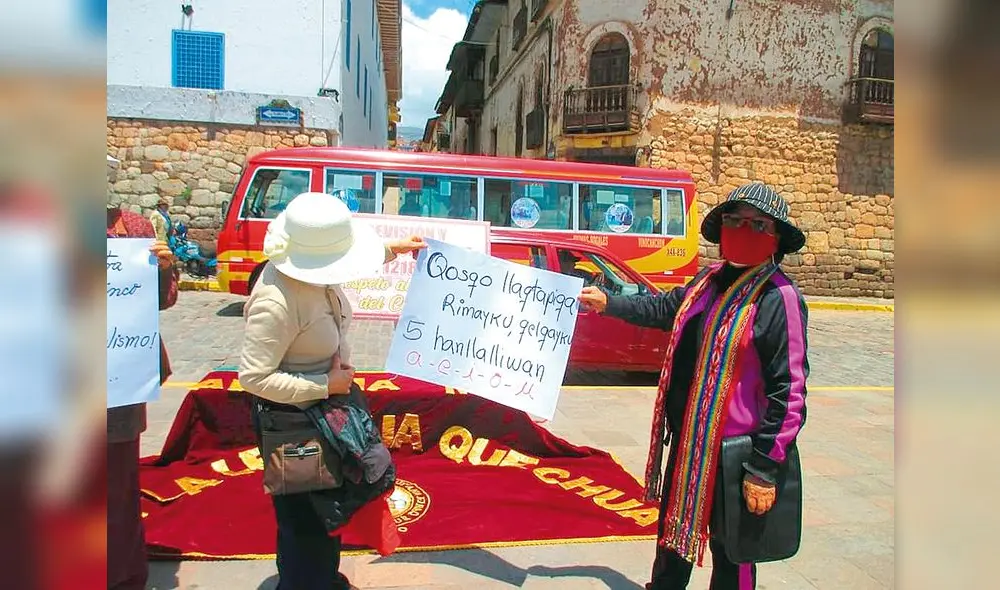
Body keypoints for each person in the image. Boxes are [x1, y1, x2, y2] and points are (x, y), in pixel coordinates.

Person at [579, 183, 809, 590]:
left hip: (737, 456)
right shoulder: (707, 282)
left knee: (731, 553)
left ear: (776, 239)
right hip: (690, 445)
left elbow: (788, 393)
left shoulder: (779, 297)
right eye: (734, 220)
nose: (742, 229)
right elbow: (664, 308)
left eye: (758, 224)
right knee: (672, 538)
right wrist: (608, 302)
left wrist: (764, 469)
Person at [238, 192, 426, 590]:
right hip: (293, 427)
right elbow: (254, 378)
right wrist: (327, 384)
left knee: (328, 513)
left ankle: (321, 579)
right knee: (305, 522)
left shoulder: (313, 271)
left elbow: (350, 259)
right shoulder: (277, 299)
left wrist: (394, 250)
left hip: (323, 415)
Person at [106, 202, 178, 590]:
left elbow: (163, 299)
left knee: (117, 485)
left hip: (117, 377)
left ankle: (122, 577)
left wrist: (164, 267)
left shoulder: (132, 226)